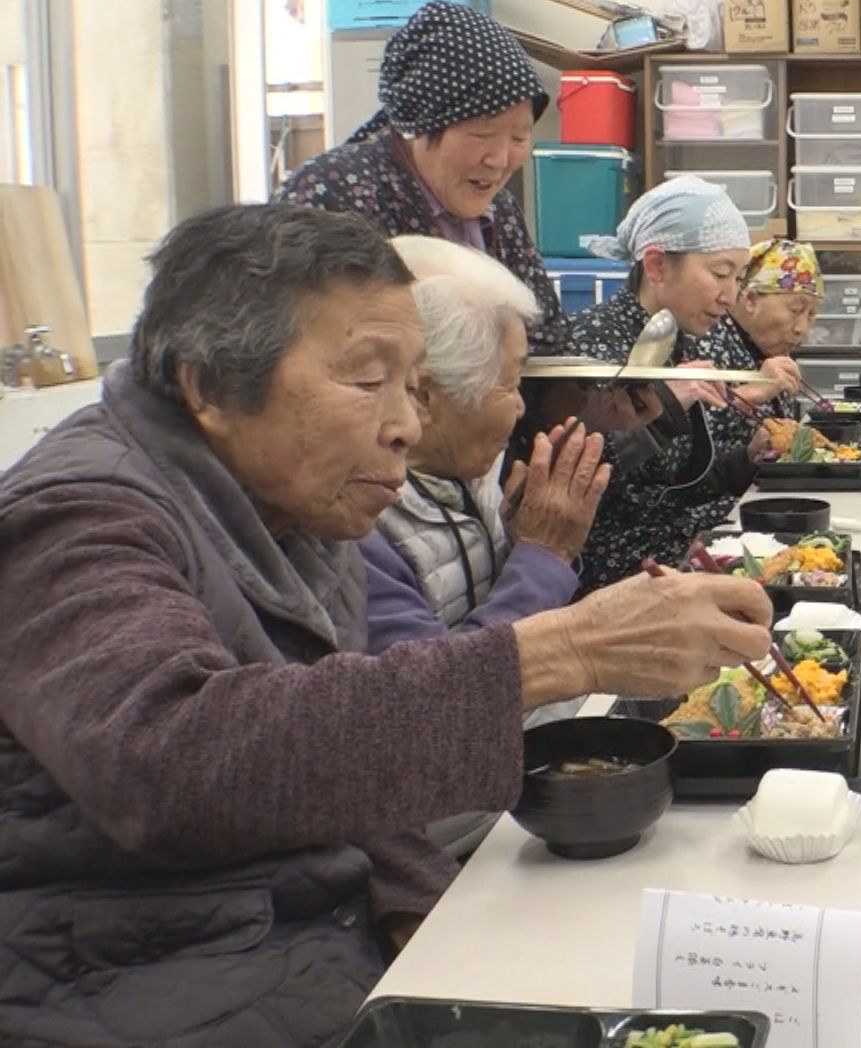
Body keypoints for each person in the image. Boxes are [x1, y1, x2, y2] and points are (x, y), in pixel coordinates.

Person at [0, 204, 773, 1045]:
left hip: (304, 953)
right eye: (369, 380)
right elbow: (170, 759)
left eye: (413, 385)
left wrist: (432, 926)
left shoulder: (294, 503)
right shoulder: (77, 517)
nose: (407, 422)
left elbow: (342, 773)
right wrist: (566, 651)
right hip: (142, 985)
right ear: (209, 384)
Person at [359, 236, 610, 856]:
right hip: (430, 823)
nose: (522, 409)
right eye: (512, 383)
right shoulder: (356, 518)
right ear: (426, 394)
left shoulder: (466, 478)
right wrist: (542, 559)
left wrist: (531, 544)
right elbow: (440, 708)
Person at [561, 178, 805, 591]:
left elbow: (676, 486)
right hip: (618, 580)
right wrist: (666, 407)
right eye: (719, 274)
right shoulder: (595, 342)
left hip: (681, 551)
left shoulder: (678, 339)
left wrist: (746, 457)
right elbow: (576, 486)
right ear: (656, 266)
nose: (729, 297)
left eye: (737, 278)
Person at [276, 1, 562, 346]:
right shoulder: (329, 196)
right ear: (423, 124)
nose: (500, 159)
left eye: (519, 136)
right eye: (482, 134)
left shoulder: (499, 211)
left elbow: (547, 331)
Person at [624, 239, 822, 566]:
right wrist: (754, 391)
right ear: (751, 299)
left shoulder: (767, 352)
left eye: (812, 315)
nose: (802, 327)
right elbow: (685, 450)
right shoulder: (706, 338)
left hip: (750, 496)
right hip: (696, 524)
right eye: (795, 310)